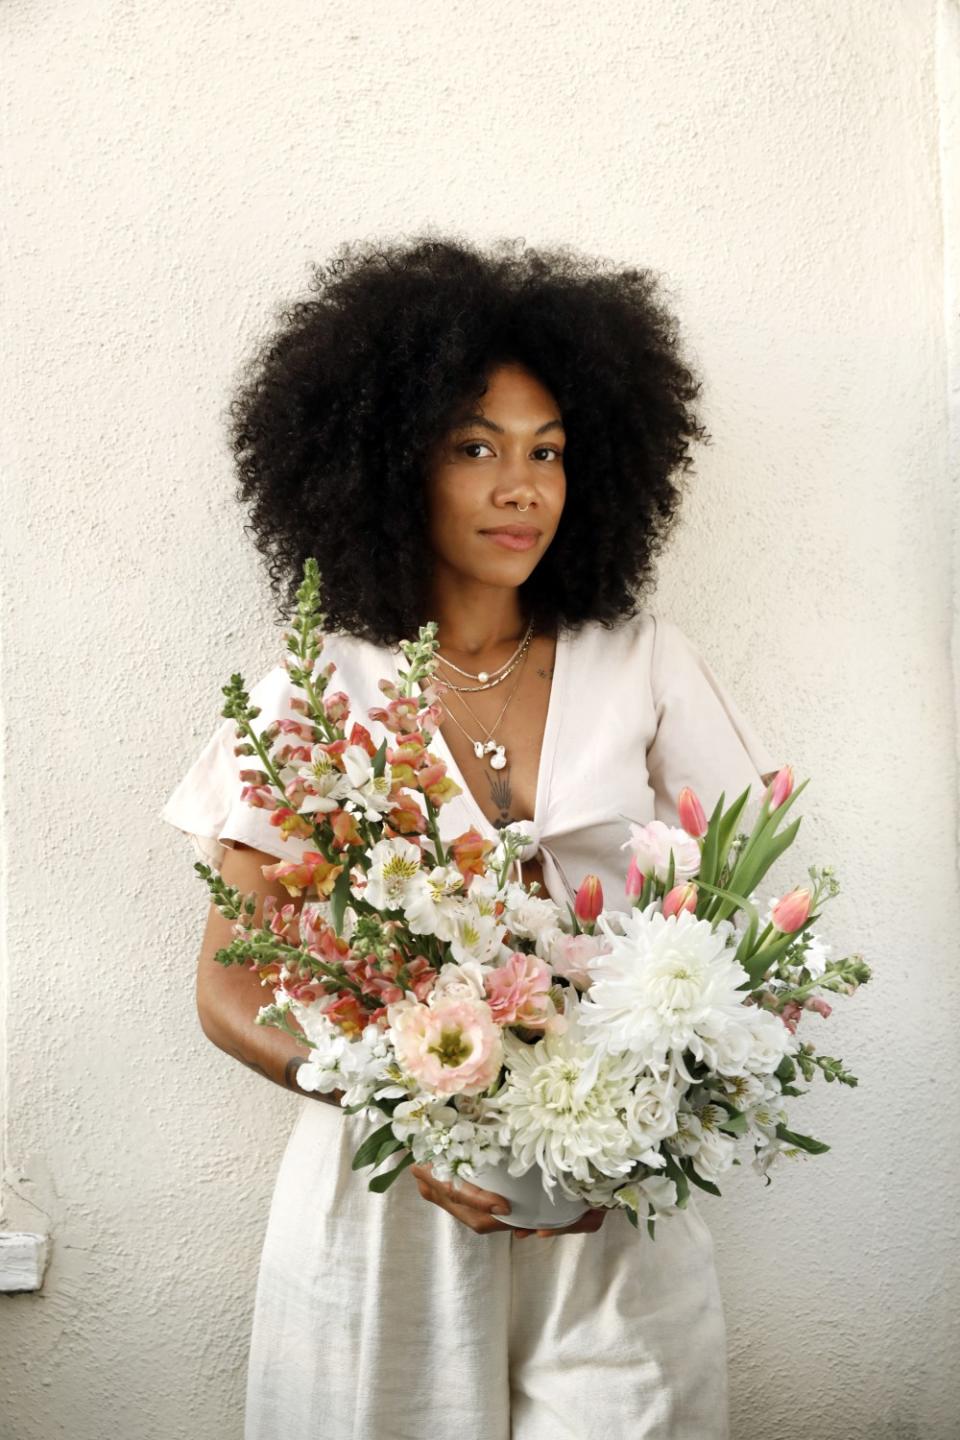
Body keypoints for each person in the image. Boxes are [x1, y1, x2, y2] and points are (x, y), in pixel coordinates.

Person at [159, 234, 780, 1439]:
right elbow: (233, 985)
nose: (523, 487)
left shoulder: (646, 661)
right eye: (476, 448)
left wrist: (672, 1075)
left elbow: (744, 914)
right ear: (388, 465)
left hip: (617, 1191)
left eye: (549, 451)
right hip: (390, 1199)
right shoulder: (313, 688)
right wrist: (400, 1107)